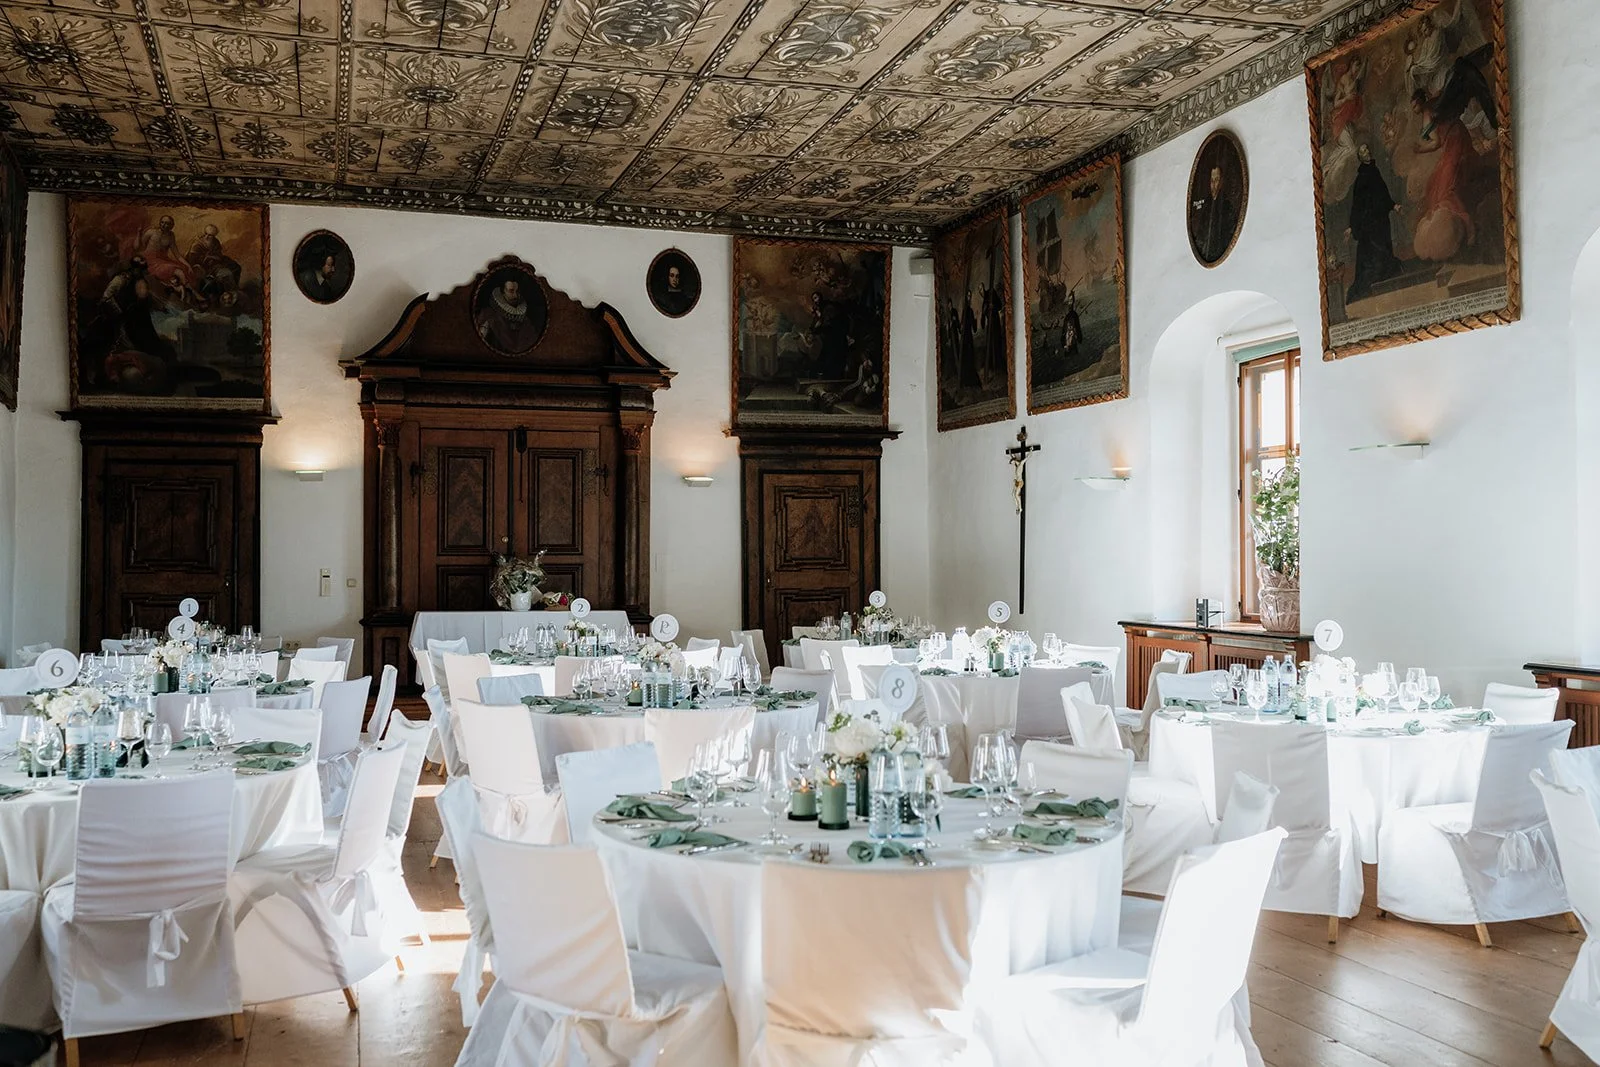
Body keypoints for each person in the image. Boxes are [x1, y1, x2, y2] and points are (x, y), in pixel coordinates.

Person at [1346, 144, 1403, 302]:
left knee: (1385, 246)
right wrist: (1352, 226)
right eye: (1364, 151)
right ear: (1360, 157)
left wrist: (1393, 205)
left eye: (1367, 149)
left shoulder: (1374, 170)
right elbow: (1357, 204)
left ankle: (1385, 276)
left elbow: (1382, 193)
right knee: (1374, 253)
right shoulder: (1361, 178)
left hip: (1381, 219)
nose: (1368, 152)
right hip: (1369, 224)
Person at [476, 275, 542, 353]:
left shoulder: (525, 319)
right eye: (511, 291)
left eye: (517, 291)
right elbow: (479, 345)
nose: (515, 296)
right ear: (502, 292)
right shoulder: (488, 314)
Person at [1191, 164, 1239, 263]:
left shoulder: (1227, 206)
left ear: (1221, 182)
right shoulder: (1207, 206)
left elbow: (1229, 232)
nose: (1213, 184)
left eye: (1216, 180)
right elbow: (1200, 233)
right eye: (1212, 181)